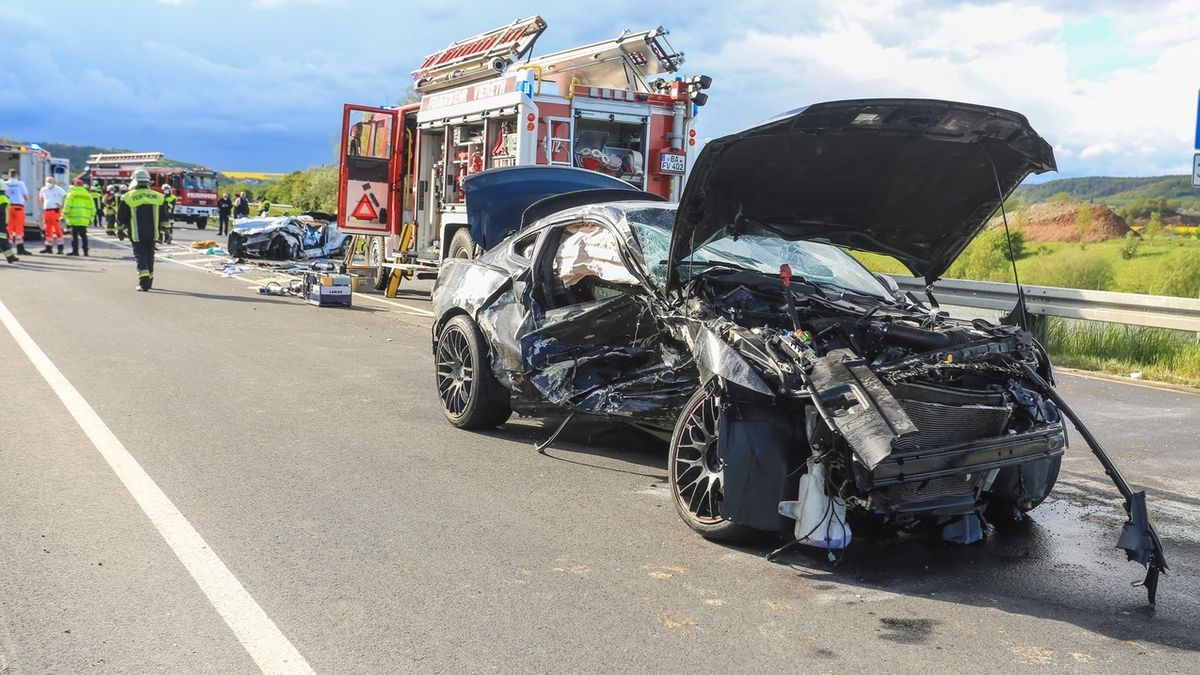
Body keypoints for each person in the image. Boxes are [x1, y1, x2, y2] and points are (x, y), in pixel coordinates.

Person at [117, 169, 165, 291]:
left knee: (141, 256)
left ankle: (144, 283)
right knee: (150, 256)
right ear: (148, 181)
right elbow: (165, 217)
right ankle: (149, 281)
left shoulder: (127, 197)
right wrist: (167, 232)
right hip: (153, 233)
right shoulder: (159, 197)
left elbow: (121, 217)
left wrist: (120, 230)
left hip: (137, 233)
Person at [63, 179, 96, 256]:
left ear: (75, 185)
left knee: (74, 236)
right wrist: (91, 218)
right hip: (84, 219)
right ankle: (85, 251)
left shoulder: (71, 194)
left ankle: (75, 251)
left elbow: (67, 206)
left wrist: (63, 216)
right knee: (84, 236)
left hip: (74, 219)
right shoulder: (88, 195)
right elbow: (92, 208)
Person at [5, 169, 31, 255]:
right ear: (17, 175)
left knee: (9, 227)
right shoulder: (20, 183)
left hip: (8, 207)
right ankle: (20, 249)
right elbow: (26, 196)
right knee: (19, 228)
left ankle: (7, 248)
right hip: (18, 207)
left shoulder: (5, 184)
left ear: (9, 175)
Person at [39, 176, 68, 254]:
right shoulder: (43, 189)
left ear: (54, 182)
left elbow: (66, 196)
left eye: (50, 181)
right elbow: (41, 198)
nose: (49, 183)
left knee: (57, 229)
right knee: (47, 230)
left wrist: (62, 205)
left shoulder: (58, 189)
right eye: (48, 181)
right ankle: (48, 248)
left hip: (55, 211)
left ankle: (60, 248)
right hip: (46, 211)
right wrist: (43, 206)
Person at [0, 179, 16, 263]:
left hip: (2, 224)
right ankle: (10, 257)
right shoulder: (3, 198)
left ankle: (10, 257)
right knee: (3, 240)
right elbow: (3, 212)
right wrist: (4, 224)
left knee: (4, 241)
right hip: (1, 224)